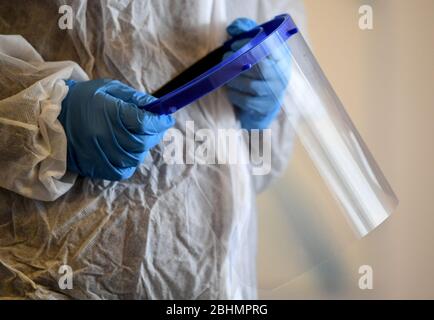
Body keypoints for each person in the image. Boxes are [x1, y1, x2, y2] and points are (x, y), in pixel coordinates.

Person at [0, 0, 305, 299]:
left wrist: (261, 120)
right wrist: (42, 115)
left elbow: (264, 168)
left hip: (220, 285)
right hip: (50, 273)